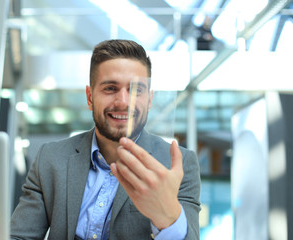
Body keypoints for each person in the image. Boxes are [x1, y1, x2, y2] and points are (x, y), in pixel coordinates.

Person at [10, 39, 201, 240]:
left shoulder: (176, 166)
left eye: (136, 90)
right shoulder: (50, 158)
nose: (123, 102)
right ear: (90, 97)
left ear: (150, 99)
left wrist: (169, 217)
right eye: (110, 88)